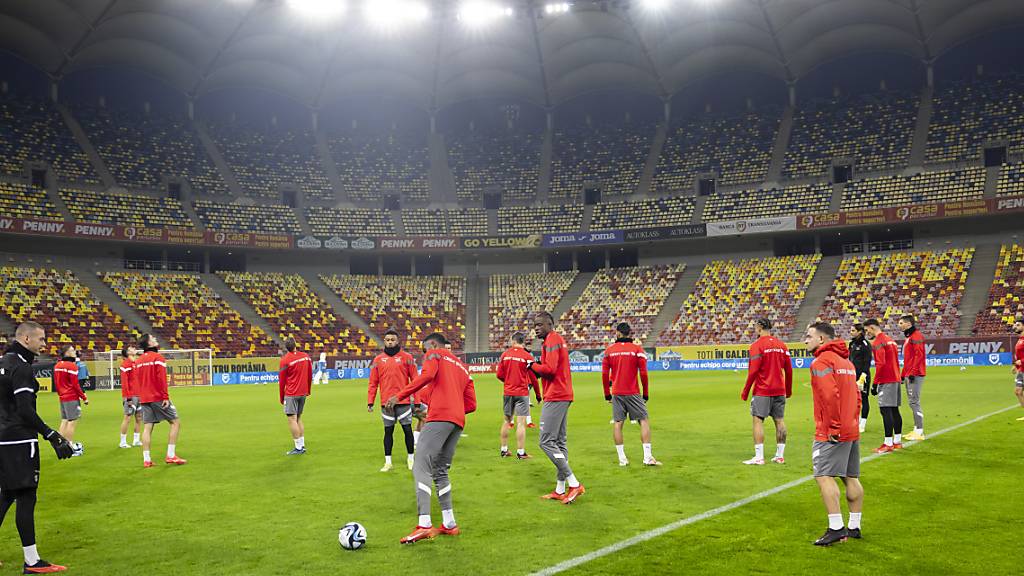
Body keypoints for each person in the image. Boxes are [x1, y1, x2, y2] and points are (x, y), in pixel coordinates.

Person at [384, 333, 476, 544]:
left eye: (425, 350)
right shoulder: (463, 367)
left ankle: (424, 524)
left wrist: (400, 395)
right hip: (457, 421)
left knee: (421, 466)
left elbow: (426, 376)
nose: (425, 354)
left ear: (433, 345)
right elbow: (471, 404)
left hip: (440, 417)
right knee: (440, 471)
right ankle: (449, 523)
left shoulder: (434, 353)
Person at [0, 321, 75, 573]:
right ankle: (32, 561)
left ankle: (31, 560)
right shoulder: (21, 367)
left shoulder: (3, 362)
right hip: (20, 440)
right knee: (25, 496)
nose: (44, 344)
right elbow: (25, 410)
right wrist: (52, 435)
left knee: (7, 495)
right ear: (26, 339)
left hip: (2, 439)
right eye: (41, 339)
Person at [804, 321, 864, 546]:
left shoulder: (821, 361)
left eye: (809, 336)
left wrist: (834, 428)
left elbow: (829, 396)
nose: (805, 340)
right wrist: (851, 422)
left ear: (821, 339)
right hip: (851, 427)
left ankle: (836, 527)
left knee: (823, 475)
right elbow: (857, 396)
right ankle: (855, 526)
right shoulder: (846, 362)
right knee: (851, 476)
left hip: (832, 430)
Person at [529, 311, 584, 504]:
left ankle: (574, 482)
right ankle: (560, 489)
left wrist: (532, 365)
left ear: (550, 325)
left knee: (545, 442)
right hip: (563, 393)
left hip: (556, 394)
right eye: (534, 325)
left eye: (540, 325)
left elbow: (550, 370)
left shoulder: (552, 340)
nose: (536, 328)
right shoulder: (555, 339)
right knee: (560, 443)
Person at [602, 322, 660, 466]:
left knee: (617, 424)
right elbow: (644, 374)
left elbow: (604, 374)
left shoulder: (609, 351)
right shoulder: (637, 349)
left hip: (617, 392)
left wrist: (607, 395)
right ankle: (647, 457)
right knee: (644, 421)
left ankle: (622, 459)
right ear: (630, 334)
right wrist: (645, 393)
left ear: (618, 333)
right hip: (633, 392)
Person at [739, 318, 792, 465]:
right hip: (779, 389)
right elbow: (788, 369)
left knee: (758, 420)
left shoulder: (756, 346)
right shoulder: (782, 345)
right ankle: (780, 456)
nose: (755, 329)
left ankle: (759, 457)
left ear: (760, 327)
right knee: (780, 420)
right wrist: (788, 389)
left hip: (763, 389)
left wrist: (745, 391)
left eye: (755, 326)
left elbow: (753, 371)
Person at [368, 330, 418, 472]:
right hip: (386, 403)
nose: (390, 342)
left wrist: (418, 401)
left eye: (392, 339)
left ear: (398, 341)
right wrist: (370, 401)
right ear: (384, 341)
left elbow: (416, 380)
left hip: (404, 402)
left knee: (407, 430)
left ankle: (411, 459)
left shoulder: (407, 357)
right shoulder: (378, 360)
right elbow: (373, 382)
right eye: (387, 339)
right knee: (388, 431)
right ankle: (388, 462)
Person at [134, 334, 186, 468]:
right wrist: (165, 397)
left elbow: (138, 380)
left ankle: (147, 459)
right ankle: (171, 455)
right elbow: (161, 379)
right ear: (149, 344)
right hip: (157, 396)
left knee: (147, 427)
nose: (156, 339)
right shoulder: (158, 358)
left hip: (144, 398)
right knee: (175, 422)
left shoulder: (138, 361)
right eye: (153, 339)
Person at [496, 332, 540, 459]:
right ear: (523, 342)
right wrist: (537, 394)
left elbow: (499, 375)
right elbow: (534, 377)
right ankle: (521, 453)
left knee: (506, 421)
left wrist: (508, 382)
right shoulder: (527, 357)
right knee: (521, 423)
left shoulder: (505, 355)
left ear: (513, 341)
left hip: (508, 392)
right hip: (522, 393)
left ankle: (504, 450)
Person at [863, 319, 902, 453]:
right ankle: (897, 441)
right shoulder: (890, 340)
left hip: (887, 379)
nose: (866, 333)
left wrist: (874, 383)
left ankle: (888, 443)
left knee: (886, 410)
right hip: (895, 378)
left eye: (867, 330)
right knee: (894, 410)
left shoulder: (879, 342)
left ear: (872, 328)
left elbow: (880, 364)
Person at [279, 338, 312, 455]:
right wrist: (308, 389)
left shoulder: (285, 360)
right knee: (298, 418)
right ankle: (301, 445)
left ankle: (298, 448)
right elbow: (310, 373)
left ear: (286, 348)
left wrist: (281, 397)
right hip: (303, 392)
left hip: (291, 394)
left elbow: (282, 381)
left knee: (291, 419)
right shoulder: (306, 356)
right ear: (295, 345)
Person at [53, 345, 87, 457]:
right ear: (66, 353)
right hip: (71, 397)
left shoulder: (57, 365)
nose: (74, 352)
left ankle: (60, 446)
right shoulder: (72, 366)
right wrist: (84, 397)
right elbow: (75, 385)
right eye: (72, 350)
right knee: (72, 422)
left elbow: (57, 383)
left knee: (64, 420)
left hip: (62, 397)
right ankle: (69, 448)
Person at [898, 315, 927, 441]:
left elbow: (918, 355)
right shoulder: (910, 337)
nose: (899, 325)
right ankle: (916, 429)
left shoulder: (916, 336)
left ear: (908, 324)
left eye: (901, 323)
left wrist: (912, 372)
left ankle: (919, 431)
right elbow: (908, 359)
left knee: (914, 401)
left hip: (915, 374)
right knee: (912, 401)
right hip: (910, 373)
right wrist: (903, 374)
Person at [849, 323, 874, 433]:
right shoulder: (851, 344)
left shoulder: (865, 344)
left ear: (859, 332)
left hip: (862, 377)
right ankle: (855, 421)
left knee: (864, 398)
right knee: (853, 400)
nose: (851, 332)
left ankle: (862, 423)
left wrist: (863, 377)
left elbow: (867, 362)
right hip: (852, 376)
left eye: (853, 330)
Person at [118, 344, 142, 448]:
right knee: (127, 417)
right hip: (131, 395)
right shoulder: (125, 365)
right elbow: (124, 383)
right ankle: (122, 442)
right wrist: (128, 398)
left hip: (139, 394)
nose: (134, 348)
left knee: (139, 417)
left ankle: (136, 440)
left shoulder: (136, 363)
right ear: (127, 353)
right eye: (131, 348)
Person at [1013, 318, 1024, 419]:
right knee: (1018, 392)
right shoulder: (1020, 340)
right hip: (1021, 370)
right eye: (1015, 325)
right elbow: (1019, 356)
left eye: (1018, 325)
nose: (1015, 327)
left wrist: (1022, 361)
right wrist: (1015, 366)